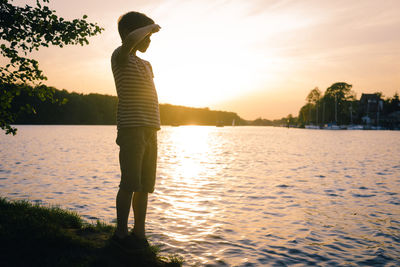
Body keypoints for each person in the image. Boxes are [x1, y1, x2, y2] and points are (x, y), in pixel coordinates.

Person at [110, 11, 161, 252]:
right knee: (129, 183)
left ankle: (139, 232)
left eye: (150, 35)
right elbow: (130, 42)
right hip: (131, 129)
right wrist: (151, 27)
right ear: (130, 34)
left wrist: (148, 30)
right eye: (146, 35)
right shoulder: (120, 56)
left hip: (150, 129)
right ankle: (120, 232)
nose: (149, 39)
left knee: (144, 186)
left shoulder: (147, 64)